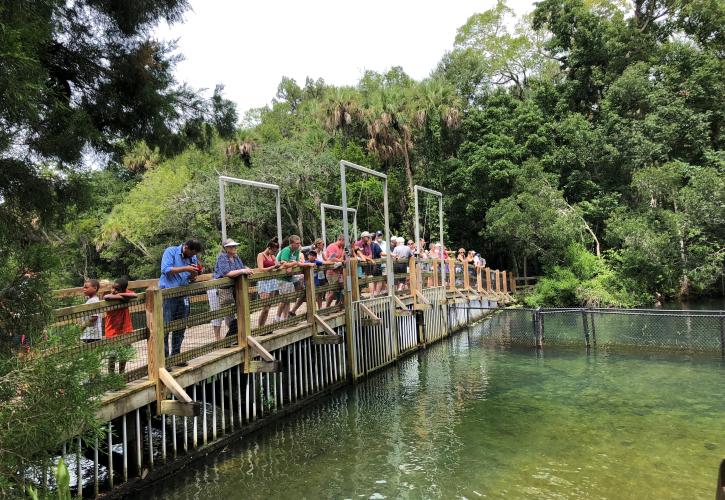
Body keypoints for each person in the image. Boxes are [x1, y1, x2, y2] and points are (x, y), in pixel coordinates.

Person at [159, 239, 203, 361]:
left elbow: (191, 278)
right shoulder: (171, 252)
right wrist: (186, 268)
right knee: (166, 326)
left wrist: (195, 273)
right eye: (192, 253)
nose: (193, 257)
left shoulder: (192, 258)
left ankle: (176, 356)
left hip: (183, 293)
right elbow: (166, 270)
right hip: (169, 294)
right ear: (186, 248)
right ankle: (165, 359)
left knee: (181, 325)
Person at [208, 239, 253, 340]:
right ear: (226, 248)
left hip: (229, 288)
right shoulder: (222, 257)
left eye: (234, 246)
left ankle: (233, 337)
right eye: (232, 246)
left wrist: (246, 269)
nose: (234, 248)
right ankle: (217, 339)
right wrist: (243, 270)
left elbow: (241, 267)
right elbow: (227, 273)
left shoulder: (236, 257)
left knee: (230, 312)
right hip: (217, 287)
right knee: (217, 314)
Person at [104, 277, 138, 373]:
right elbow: (106, 297)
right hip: (112, 331)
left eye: (117, 289)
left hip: (125, 329)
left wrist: (121, 295)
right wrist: (122, 296)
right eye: (112, 288)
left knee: (124, 354)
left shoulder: (127, 293)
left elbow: (135, 295)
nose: (113, 291)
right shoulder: (110, 296)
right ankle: (111, 376)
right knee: (112, 355)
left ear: (124, 289)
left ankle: (121, 374)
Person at [276, 235, 312, 321]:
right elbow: (284, 264)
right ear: (291, 243)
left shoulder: (296, 251)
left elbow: (295, 263)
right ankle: (277, 317)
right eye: (297, 243)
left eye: (299, 243)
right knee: (284, 298)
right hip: (282, 277)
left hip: (290, 277)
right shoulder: (286, 250)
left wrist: (293, 264)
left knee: (292, 296)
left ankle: (285, 318)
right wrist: (292, 264)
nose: (299, 245)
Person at [256, 237, 281, 328]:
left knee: (269, 305)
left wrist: (280, 265)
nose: (274, 253)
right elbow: (261, 269)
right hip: (263, 282)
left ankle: (263, 326)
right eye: (273, 251)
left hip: (272, 282)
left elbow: (277, 265)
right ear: (269, 248)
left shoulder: (272, 256)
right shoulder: (261, 255)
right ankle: (260, 327)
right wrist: (273, 267)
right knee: (265, 307)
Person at [324, 234, 345, 307]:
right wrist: (340, 260)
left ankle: (337, 306)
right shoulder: (332, 246)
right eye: (344, 241)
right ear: (341, 240)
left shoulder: (341, 247)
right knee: (332, 292)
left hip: (339, 272)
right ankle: (327, 308)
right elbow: (331, 258)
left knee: (342, 289)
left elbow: (342, 258)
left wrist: (340, 260)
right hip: (331, 272)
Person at [80, 279, 103, 343]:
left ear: (95, 288)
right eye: (83, 287)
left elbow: (94, 317)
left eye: (86, 287)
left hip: (91, 335)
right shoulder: (92, 300)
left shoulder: (93, 301)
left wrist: (83, 326)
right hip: (91, 334)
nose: (84, 289)